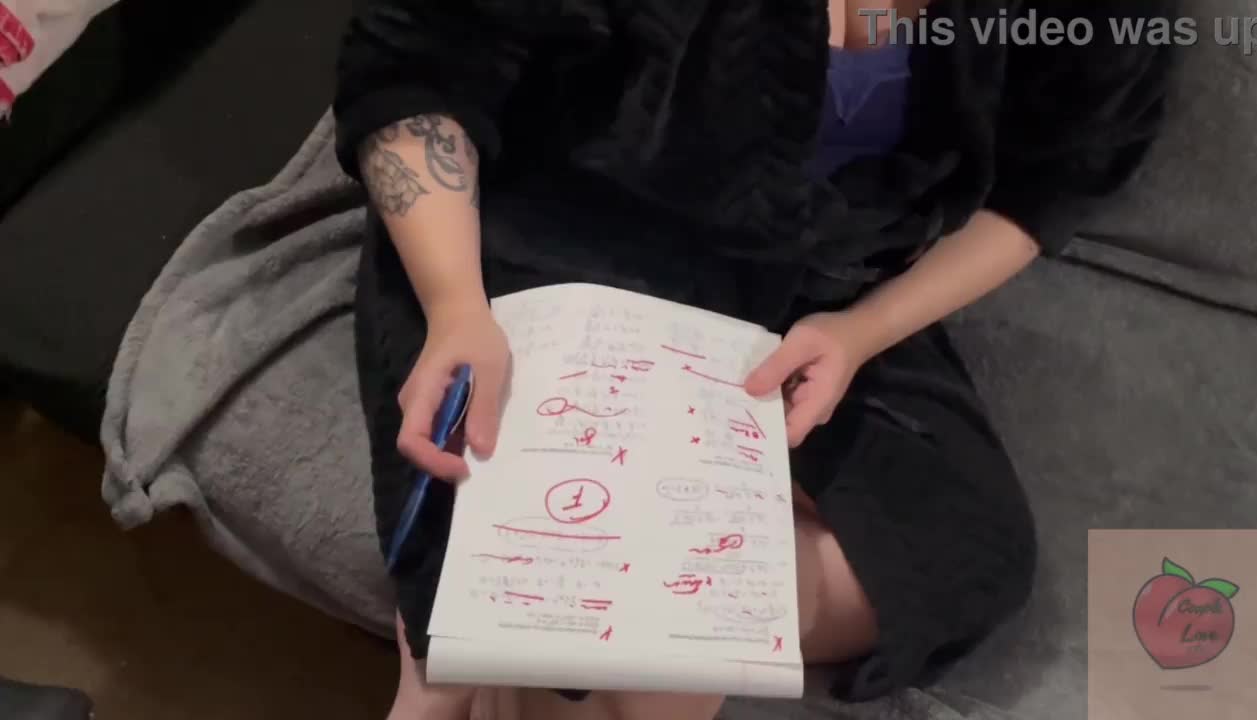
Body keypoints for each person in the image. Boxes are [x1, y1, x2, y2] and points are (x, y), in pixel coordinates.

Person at [333, 1, 1173, 718]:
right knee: (603, 660)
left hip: (816, 284)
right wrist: (454, 304)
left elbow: (1051, 183)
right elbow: (413, 65)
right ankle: (494, 635)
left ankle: (580, 621)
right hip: (563, 235)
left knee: (969, 551)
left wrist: (861, 332)